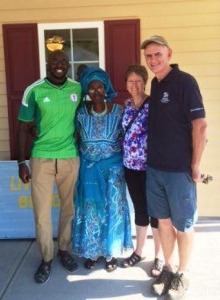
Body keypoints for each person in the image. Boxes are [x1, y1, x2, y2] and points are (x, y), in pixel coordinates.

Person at [141, 35, 207, 299]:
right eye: (149, 56)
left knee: (183, 224)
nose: (153, 60)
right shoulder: (156, 86)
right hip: (155, 168)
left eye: (158, 54)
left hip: (179, 170)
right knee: (164, 223)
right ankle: (167, 269)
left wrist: (196, 165)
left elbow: (200, 125)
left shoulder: (185, 82)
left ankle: (182, 274)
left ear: (169, 54)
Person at [17, 50, 82, 284]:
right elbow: (24, 127)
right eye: (55, 61)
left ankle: (64, 250)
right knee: (42, 214)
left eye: (64, 62)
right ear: (47, 64)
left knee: (68, 209)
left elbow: (85, 116)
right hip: (41, 158)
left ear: (68, 65)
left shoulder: (77, 88)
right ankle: (46, 259)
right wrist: (21, 162)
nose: (60, 65)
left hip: (69, 157)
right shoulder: (34, 89)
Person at [72, 66, 133, 272]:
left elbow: (129, 139)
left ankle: (110, 253)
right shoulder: (80, 113)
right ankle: (93, 251)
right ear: (86, 91)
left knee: (112, 210)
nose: (96, 91)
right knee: (91, 211)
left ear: (106, 89)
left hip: (113, 172)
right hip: (88, 170)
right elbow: (74, 138)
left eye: (100, 87)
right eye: (91, 88)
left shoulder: (118, 112)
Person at [121, 64, 164, 276]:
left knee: (155, 212)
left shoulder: (153, 104)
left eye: (138, 81)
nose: (135, 85)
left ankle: (159, 256)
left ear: (144, 82)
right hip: (130, 167)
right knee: (139, 209)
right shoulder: (127, 106)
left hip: (150, 168)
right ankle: (139, 251)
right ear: (126, 84)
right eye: (131, 81)